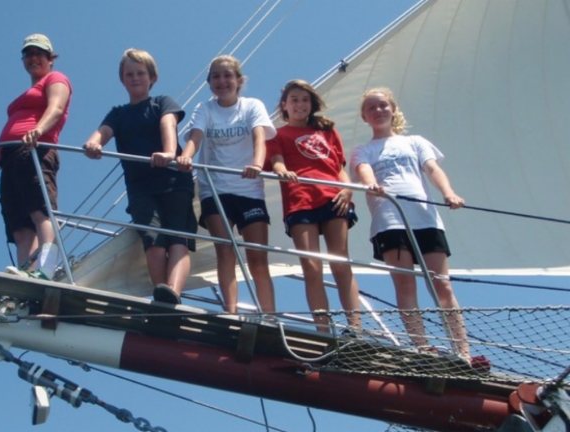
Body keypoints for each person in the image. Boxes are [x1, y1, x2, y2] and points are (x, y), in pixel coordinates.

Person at [350, 87, 470, 359]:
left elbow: (432, 168)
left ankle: (463, 351)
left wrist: (448, 193)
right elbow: (363, 170)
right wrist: (371, 184)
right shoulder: (363, 150)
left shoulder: (415, 142)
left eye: (383, 105)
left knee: (442, 285)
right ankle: (421, 347)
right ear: (364, 117)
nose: (378, 110)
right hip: (390, 220)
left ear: (393, 109)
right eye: (371, 108)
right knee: (405, 286)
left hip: (425, 218)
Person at [83, 48, 196, 305]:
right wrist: (93, 144)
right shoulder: (118, 113)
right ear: (122, 80)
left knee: (178, 237)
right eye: (129, 74)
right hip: (140, 188)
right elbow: (102, 133)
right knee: (153, 241)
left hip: (174, 181)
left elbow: (168, 124)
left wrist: (169, 152)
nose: (135, 78)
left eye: (140, 73)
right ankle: (162, 295)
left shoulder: (163, 102)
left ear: (152, 77)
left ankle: (173, 293)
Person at [176, 55, 276, 315]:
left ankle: (269, 316)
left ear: (239, 80)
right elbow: (196, 136)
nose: (222, 81)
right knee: (225, 251)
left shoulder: (252, 105)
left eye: (228, 76)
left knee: (257, 257)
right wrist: (186, 156)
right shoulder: (205, 108)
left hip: (249, 189)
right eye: (216, 77)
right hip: (215, 190)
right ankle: (231, 313)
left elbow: (259, 137)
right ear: (209, 83)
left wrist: (257, 164)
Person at [267, 79, 361, 333]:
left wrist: (348, 189)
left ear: (312, 104)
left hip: (334, 198)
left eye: (305, 100)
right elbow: (276, 161)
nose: (300, 104)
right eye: (294, 100)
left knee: (340, 262)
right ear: (284, 105)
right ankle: (323, 331)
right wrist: (282, 170)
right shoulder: (278, 134)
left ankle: (355, 327)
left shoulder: (327, 131)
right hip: (300, 200)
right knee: (311, 267)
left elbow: (339, 167)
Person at [0, 34, 72, 280]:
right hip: (10, 157)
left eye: (39, 53)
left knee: (40, 211)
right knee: (19, 226)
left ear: (50, 58)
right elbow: (4, 139)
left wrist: (38, 129)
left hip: (35, 151)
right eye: (28, 54)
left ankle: (46, 269)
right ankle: (25, 274)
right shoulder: (22, 97)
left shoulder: (56, 79)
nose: (33, 58)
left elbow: (56, 108)